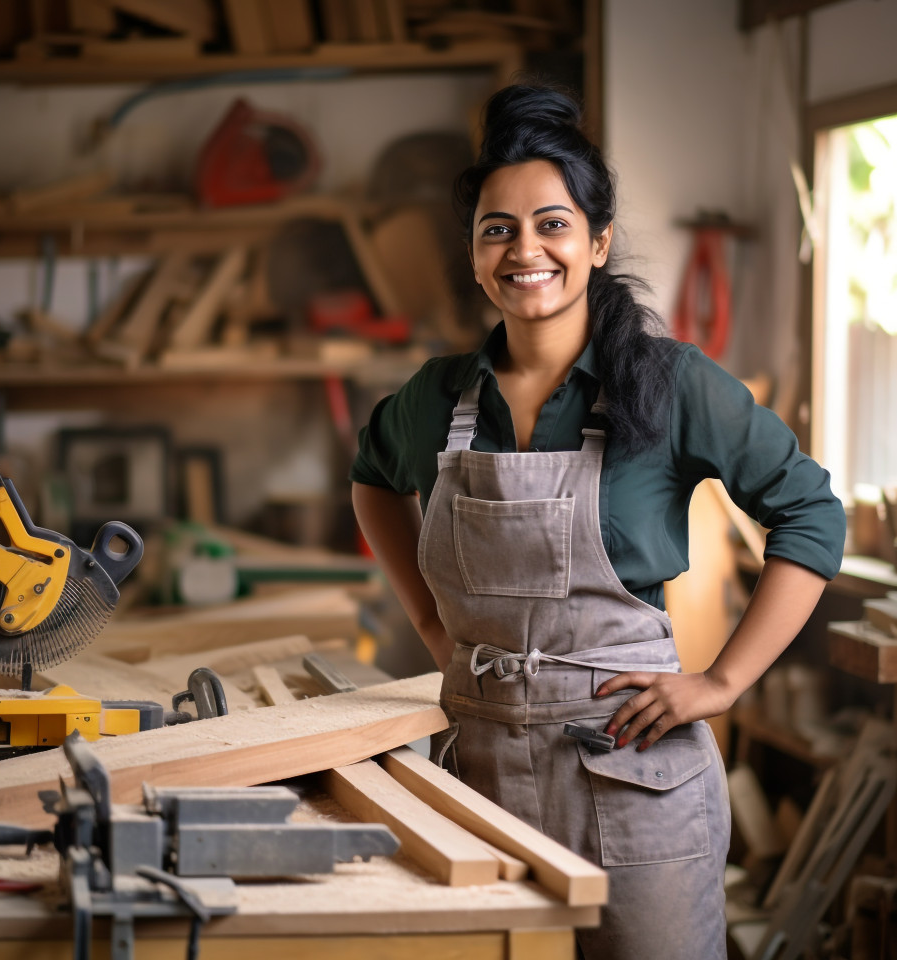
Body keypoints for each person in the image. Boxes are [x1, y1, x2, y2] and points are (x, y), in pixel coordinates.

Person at [350, 83, 845, 960]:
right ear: (472, 255)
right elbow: (371, 482)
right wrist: (430, 623)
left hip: (634, 783)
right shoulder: (436, 401)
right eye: (496, 229)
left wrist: (723, 683)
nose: (524, 250)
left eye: (552, 223)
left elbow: (809, 513)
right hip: (479, 779)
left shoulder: (669, 384)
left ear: (598, 241)